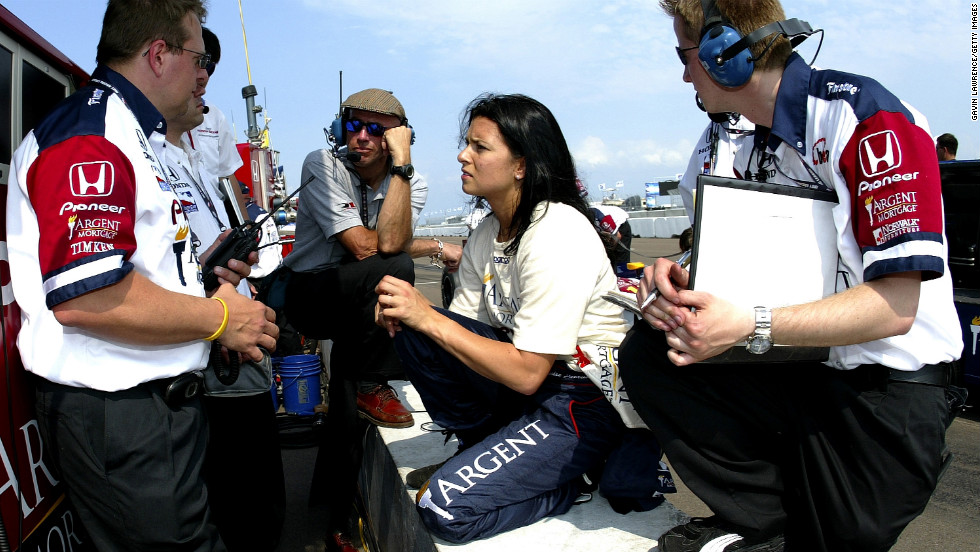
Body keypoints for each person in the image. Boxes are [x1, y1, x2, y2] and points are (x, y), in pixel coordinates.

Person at [619, 1, 965, 551]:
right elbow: (731, 265)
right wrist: (673, 279)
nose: (684, 75)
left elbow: (896, 307)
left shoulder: (867, 120)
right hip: (800, 367)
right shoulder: (727, 139)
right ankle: (765, 520)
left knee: (835, 538)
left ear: (725, 53)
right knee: (650, 351)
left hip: (887, 391)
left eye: (685, 56)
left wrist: (750, 324)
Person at [5, 1, 279, 550]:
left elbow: (135, 269)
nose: (203, 73)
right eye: (198, 55)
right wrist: (220, 317)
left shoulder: (137, 135)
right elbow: (90, 297)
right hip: (123, 418)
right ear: (159, 54)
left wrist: (203, 287)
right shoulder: (93, 136)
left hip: (156, 410)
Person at [374, 93, 674, 543]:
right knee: (418, 330)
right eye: (466, 143)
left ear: (521, 166)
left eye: (480, 146)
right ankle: (479, 448)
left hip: (581, 397)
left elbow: (529, 373)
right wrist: (417, 318)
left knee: (442, 508)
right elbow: (458, 341)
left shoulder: (556, 231)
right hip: (529, 387)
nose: (463, 155)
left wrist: (428, 318)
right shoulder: (485, 234)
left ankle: (571, 484)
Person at [281, 87, 461, 550]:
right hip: (312, 294)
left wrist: (400, 168)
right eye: (352, 126)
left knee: (352, 373)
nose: (359, 137)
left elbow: (395, 237)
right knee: (396, 273)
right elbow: (372, 248)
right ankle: (369, 388)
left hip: (357, 298)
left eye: (375, 130)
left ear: (399, 138)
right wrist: (437, 247)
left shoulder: (410, 180)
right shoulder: (322, 163)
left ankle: (335, 513)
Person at [163, 64, 285, 552]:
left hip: (229, 347)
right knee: (238, 499)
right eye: (193, 67)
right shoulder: (141, 153)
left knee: (255, 496)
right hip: (206, 363)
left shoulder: (193, 163)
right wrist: (219, 314)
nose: (203, 86)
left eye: (207, 72)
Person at [182, 26, 248, 219]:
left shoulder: (215, 117)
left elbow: (227, 175)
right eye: (198, 64)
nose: (203, 75)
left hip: (216, 222)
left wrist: (246, 228)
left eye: (209, 67)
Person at [592, 203, 633, 270]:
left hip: (620, 225)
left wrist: (608, 251)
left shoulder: (601, 217)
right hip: (604, 230)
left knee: (619, 260)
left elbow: (617, 236)